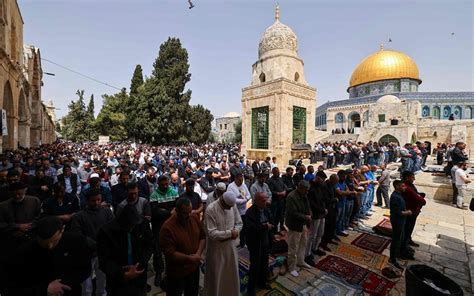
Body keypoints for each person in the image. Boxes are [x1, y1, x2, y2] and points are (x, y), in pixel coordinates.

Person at [3, 216, 92, 296]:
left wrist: (62, 284)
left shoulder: (76, 241)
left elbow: (85, 269)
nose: (50, 247)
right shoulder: (24, 251)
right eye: (45, 244)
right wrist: (45, 290)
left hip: (69, 290)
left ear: (62, 230)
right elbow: (12, 286)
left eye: (55, 241)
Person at [97, 205, 153, 296]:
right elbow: (104, 260)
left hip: (139, 277)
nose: (131, 228)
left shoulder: (142, 224)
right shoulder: (106, 232)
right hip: (117, 281)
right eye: (129, 226)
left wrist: (141, 263)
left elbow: (149, 245)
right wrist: (121, 273)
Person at [70, 188, 114, 296]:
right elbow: (77, 234)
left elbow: (113, 227)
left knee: (102, 278)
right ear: (87, 201)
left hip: (103, 252)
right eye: (93, 201)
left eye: (98, 200)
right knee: (86, 282)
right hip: (86, 253)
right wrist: (92, 244)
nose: (96, 203)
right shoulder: (79, 216)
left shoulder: (107, 212)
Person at [159, 198, 205, 296]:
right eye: (185, 213)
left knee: (193, 292)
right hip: (177, 272)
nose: (188, 216)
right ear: (177, 210)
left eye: (190, 212)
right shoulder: (167, 228)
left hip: (193, 268)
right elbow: (170, 253)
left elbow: (202, 237)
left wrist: (198, 254)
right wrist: (190, 258)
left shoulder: (193, 217)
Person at [204, 191, 242, 296]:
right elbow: (211, 233)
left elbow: (239, 223)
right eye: (228, 207)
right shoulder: (211, 209)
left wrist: (237, 231)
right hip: (216, 249)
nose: (230, 209)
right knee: (217, 275)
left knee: (231, 274)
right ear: (222, 200)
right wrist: (230, 233)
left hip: (230, 248)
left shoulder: (232, 205)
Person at [149, 175, 179, 287]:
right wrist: (169, 212)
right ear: (158, 184)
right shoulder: (154, 195)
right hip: (158, 228)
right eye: (163, 185)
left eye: (167, 184)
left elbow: (177, 209)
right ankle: (158, 272)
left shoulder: (174, 192)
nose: (165, 186)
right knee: (157, 252)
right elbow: (154, 213)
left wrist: (163, 211)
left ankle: (170, 272)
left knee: (172, 250)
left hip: (172, 227)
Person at [244, 192, 273, 296]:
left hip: (265, 241)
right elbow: (251, 229)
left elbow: (271, 221)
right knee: (255, 266)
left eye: (266, 200)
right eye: (263, 200)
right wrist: (264, 226)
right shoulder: (250, 213)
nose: (265, 202)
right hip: (255, 243)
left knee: (264, 263)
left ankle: (262, 282)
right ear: (256, 201)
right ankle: (251, 289)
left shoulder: (265, 209)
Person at [285, 180, 312, 277]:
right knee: (293, 247)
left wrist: (309, 214)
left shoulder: (304, 194)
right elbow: (293, 213)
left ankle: (301, 261)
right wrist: (306, 217)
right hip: (294, 225)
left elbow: (307, 206)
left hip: (302, 224)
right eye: (306, 190)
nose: (307, 192)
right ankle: (291, 267)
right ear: (300, 188)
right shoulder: (291, 197)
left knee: (303, 243)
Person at [304, 171, 328, 266]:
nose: (323, 181)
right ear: (318, 177)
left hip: (322, 213)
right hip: (315, 214)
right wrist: (322, 209)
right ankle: (307, 254)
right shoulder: (311, 187)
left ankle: (315, 248)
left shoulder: (321, 186)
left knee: (320, 233)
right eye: (322, 179)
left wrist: (324, 209)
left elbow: (322, 199)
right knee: (312, 235)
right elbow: (312, 204)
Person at [401, 171, 426, 258]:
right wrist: (420, 198)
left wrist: (419, 196)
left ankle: (408, 240)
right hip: (409, 211)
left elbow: (417, 195)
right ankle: (403, 249)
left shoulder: (410, 186)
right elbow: (419, 199)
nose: (414, 179)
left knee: (409, 228)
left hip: (414, 211)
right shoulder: (406, 187)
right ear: (407, 178)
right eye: (412, 177)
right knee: (406, 229)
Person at [389, 180, 412, 270]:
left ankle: (395, 256)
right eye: (403, 186)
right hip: (397, 221)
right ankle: (392, 259)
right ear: (397, 186)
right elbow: (398, 212)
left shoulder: (399, 195)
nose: (405, 187)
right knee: (396, 240)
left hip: (401, 221)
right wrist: (408, 212)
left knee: (399, 239)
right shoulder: (395, 197)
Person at [226, 172, 251, 247]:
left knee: (244, 227)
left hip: (243, 210)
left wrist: (244, 199)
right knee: (234, 228)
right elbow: (233, 200)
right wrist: (244, 200)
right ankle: (232, 244)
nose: (241, 182)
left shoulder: (243, 185)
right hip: (234, 211)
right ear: (235, 179)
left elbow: (249, 195)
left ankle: (242, 243)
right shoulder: (230, 186)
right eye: (239, 180)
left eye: (242, 180)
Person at [319, 174, 339, 252]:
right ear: (332, 179)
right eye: (336, 181)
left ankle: (329, 239)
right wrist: (334, 200)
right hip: (327, 209)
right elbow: (325, 199)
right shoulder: (325, 186)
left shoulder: (332, 186)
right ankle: (323, 244)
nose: (336, 183)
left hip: (333, 208)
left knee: (332, 226)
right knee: (327, 228)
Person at [267, 167, 287, 234]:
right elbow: (270, 191)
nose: (278, 173)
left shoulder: (280, 179)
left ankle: (279, 229)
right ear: (273, 172)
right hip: (274, 202)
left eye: (278, 172)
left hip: (281, 201)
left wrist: (284, 191)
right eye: (276, 172)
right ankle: (273, 233)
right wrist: (279, 193)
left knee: (280, 216)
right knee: (274, 218)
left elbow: (284, 186)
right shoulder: (270, 181)